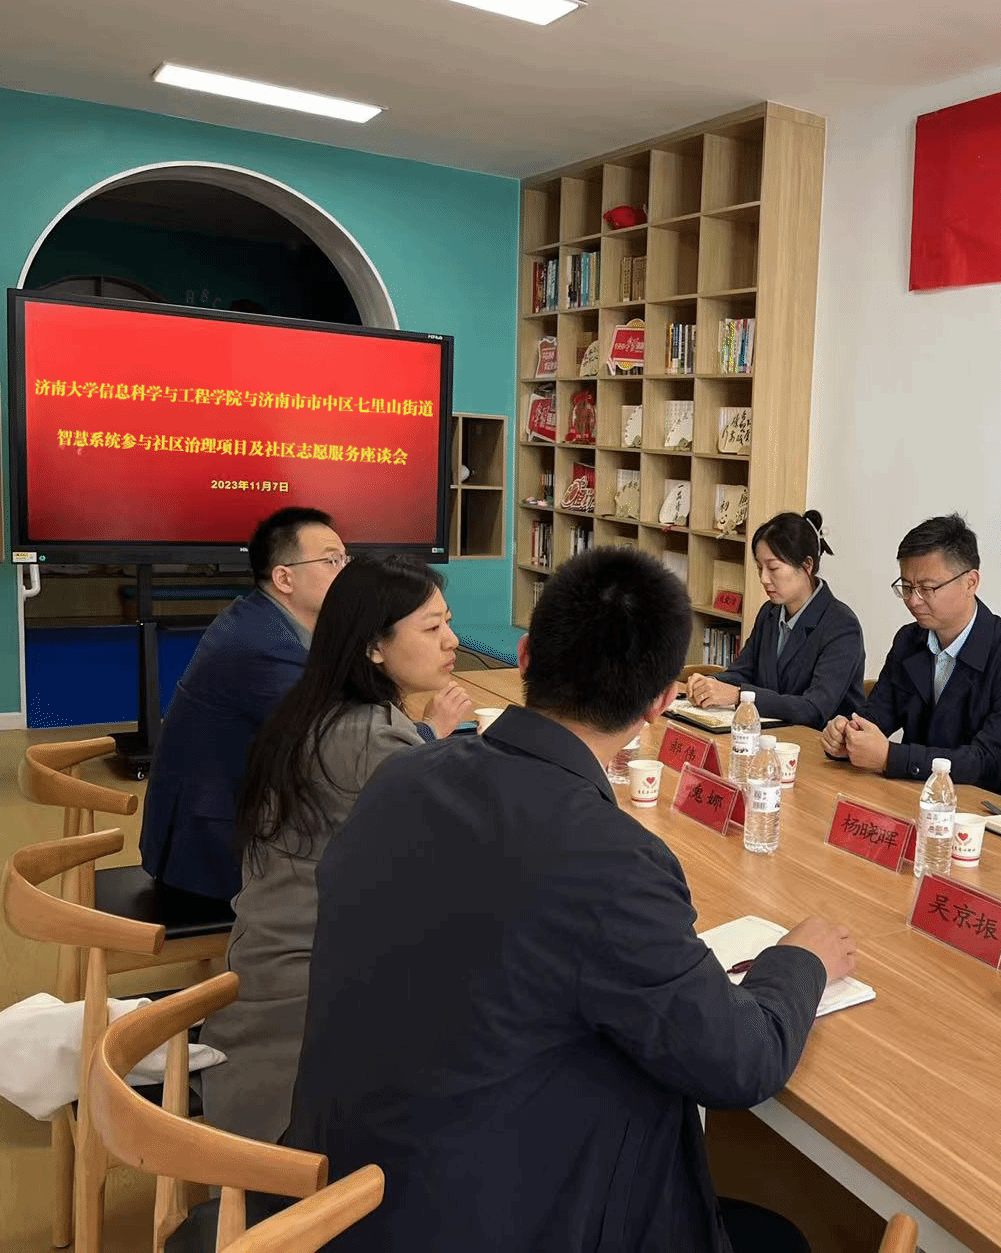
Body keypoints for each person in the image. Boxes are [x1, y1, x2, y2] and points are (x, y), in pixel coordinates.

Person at [285, 547, 857, 1250]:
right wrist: (798, 961)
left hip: (340, 1200)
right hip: (488, 1219)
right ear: (662, 702)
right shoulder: (611, 858)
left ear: (526, 655)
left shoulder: (403, 776)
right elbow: (741, 1064)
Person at [200, 555, 470, 1146]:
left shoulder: (320, 707)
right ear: (373, 647)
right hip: (310, 1003)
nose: (452, 641)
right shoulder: (372, 739)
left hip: (270, 962)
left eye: (448, 623)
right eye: (432, 628)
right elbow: (457, 863)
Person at [140, 507, 346, 900]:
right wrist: (427, 729)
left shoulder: (259, 617)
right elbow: (338, 743)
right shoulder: (264, 645)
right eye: (331, 561)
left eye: (345, 559)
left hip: (207, 828)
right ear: (284, 578)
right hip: (210, 853)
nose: (345, 572)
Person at [822, 513, 1001, 796]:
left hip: (982, 807)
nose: (913, 601)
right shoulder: (908, 640)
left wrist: (890, 757)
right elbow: (876, 715)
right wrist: (846, 734)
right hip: (914, 795)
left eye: (927, 588)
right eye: (906, 587)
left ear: (970, 582)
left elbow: (988, 762)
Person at [683, 509, 865, 728]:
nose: (763, 579)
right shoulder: (770, 612)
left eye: (773, 568)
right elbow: (743, 671)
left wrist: (740, 696)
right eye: (760, 568)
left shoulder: (842, 626)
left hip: (816, 742)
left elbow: (814, 709)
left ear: (807, 565)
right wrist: (709, 684)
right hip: (770, 735)